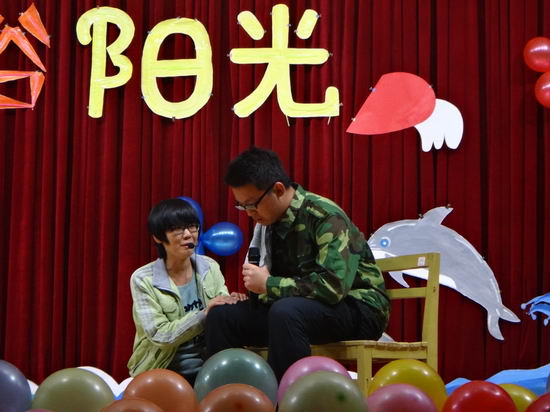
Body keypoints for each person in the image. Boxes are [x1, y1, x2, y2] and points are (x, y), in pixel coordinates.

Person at [205, 147, 390, 380]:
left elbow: (333, 287)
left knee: (286, 312)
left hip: (358, 308)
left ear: (278, 189)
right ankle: (230, 396)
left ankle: (285, 397)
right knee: (222, 316)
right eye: (242, 206)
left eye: (252, 204)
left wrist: (269, 285)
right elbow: (281, 287)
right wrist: (246, 296)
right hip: (297, 310)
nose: (249, 213)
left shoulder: (324, 215)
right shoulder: (268, 224)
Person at [128, 198, 244, 384]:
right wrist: (204, 314)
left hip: (208, 367)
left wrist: (232, 302)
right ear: (158, 237)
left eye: (192, 227)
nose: (189, 235)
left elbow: (220, 309)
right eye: (178, 229)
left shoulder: (209, 266)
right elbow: (160, 335)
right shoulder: (143, 279)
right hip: (163, 370)